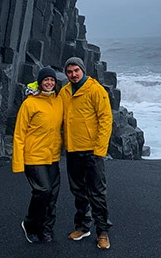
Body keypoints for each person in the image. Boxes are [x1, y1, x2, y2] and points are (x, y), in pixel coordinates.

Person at [60, 57, 114, 250]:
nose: (73, 74)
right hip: (73, 149)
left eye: (76, 70)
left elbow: (106, 119)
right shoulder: (64, 91)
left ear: (82, 70)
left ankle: (102, 232)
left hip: (92, 150)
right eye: (69, 72)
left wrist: (100, 149)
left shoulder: (95, 89)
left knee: (97, 193)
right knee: (78, 191)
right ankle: (83, 226)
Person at [12, 66, 64, 244]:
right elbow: (19, 134)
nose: (49, 83)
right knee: (43, 190)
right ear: (40, 82)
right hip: (34, 156)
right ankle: (30, 224)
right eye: (45, 80)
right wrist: (18, 163)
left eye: (52, 80)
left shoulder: (59, 100)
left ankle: (46, 229)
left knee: (52, 195)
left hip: (53, 156)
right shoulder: (30, 103)